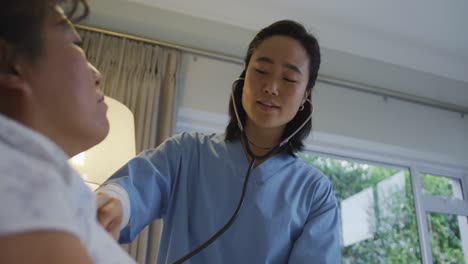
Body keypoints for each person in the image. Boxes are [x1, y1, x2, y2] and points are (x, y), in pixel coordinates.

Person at [97, 20, 341, 263]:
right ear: (244, 79)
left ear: (304, 97)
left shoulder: (314, 192)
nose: (271, 87)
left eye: (288, 79)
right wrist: (115, 201)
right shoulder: (187, 152)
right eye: (261, 71)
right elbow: (135, 188)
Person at [0, 0, 135, 263]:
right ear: (10, 63)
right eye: (75, 44)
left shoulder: (44, 183)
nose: (97, 75)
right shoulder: (19, 177)